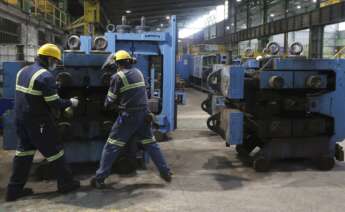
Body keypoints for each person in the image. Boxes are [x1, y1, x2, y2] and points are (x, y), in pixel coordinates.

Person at [5, 43, 80, 202]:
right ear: (48, 58)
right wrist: (70, 102)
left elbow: (32, 95)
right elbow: (55, 103)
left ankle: (14, 190)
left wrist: (53, 87)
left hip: (20, 119)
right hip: (38, 122)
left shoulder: (22, 71)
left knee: (23, 153)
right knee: (55, 151)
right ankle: (66, 183)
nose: (55, 64)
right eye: (55, 61)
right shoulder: (46, 76)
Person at [90, 50, 172, 188]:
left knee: (111, 146)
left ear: (117, 63)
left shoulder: (117, 77)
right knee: (151, 144)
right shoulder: (138, 72)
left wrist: (107, 103)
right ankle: (166, 172)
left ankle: (100, 178)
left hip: (128, 117)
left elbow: (109, 101)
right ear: (129, 61)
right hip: (144, 115)